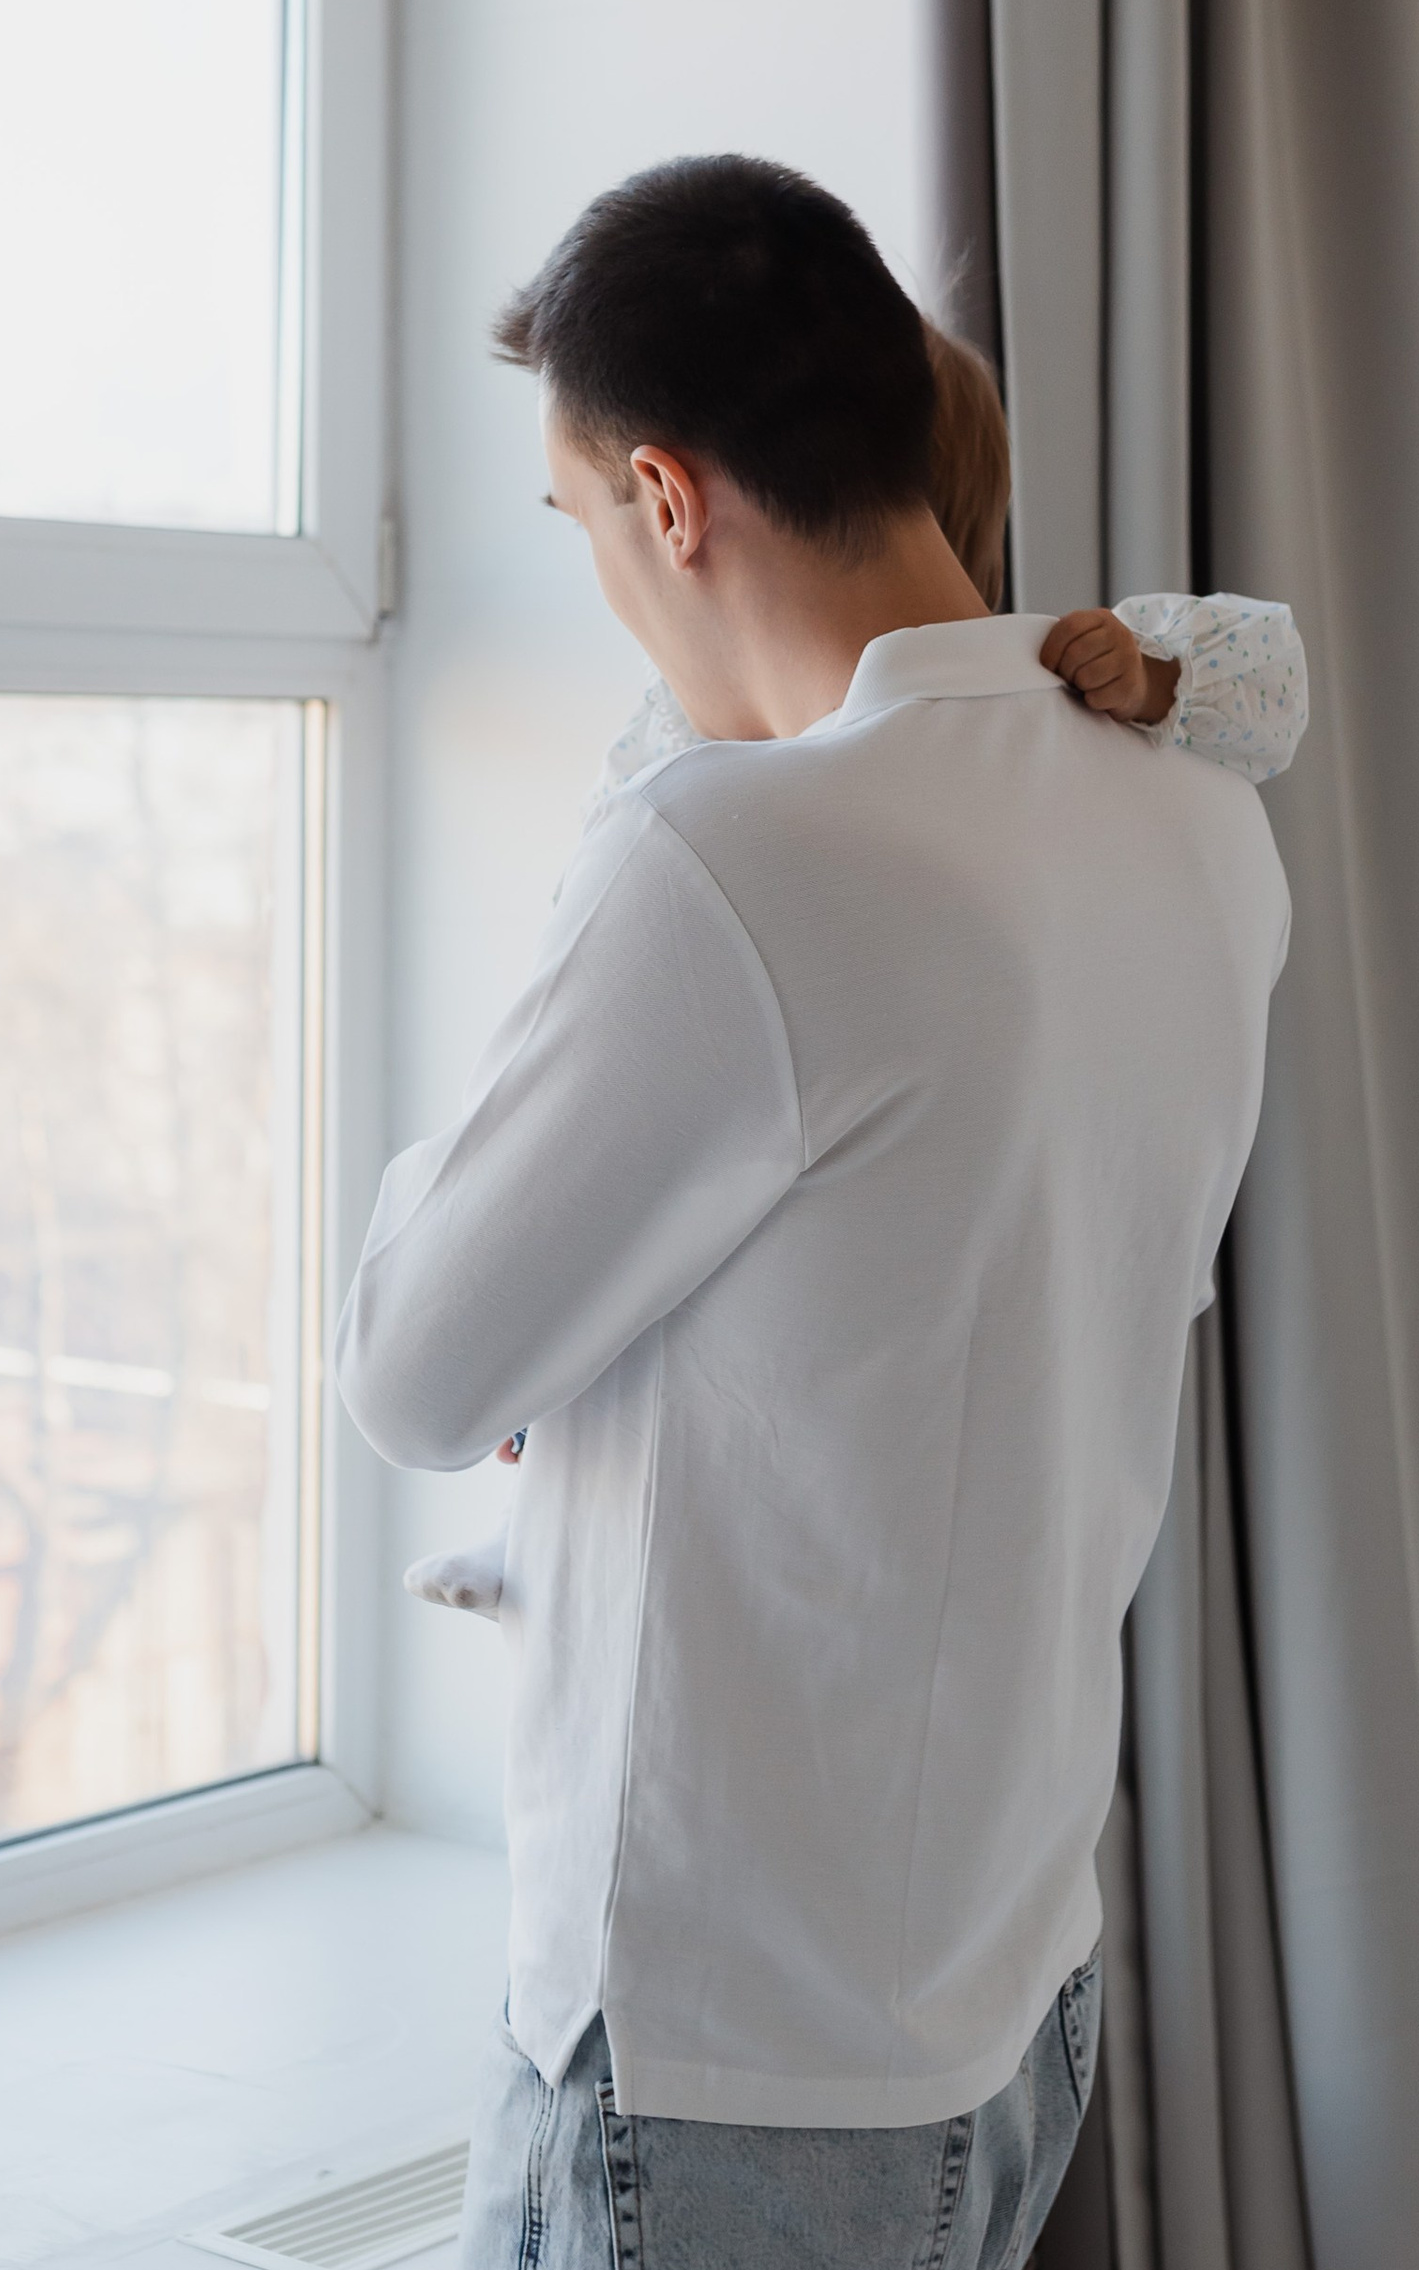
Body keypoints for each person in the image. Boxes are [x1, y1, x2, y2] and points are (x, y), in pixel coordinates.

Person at [335, 154, 1291, 2270]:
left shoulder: (742, 867)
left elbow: (421, 1356)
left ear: (668, 494)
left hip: (724, 2089)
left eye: (578, 524)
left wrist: (667, 783)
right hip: (988, 2018)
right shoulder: (1183, 824)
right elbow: (895, 1321)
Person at [406, 318, 1305, 1622]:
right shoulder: (692, 746)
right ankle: (530, 1510)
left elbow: (1263, 674)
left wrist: (1153, 670)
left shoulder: (980, 761)